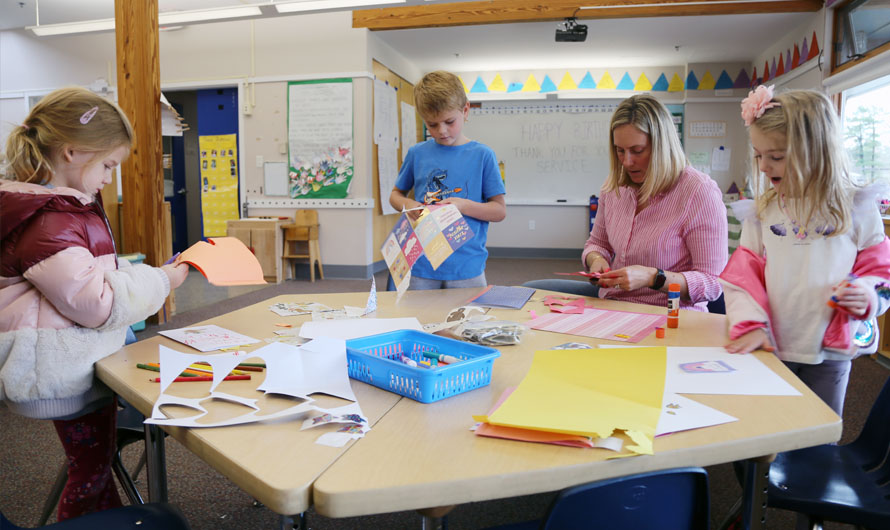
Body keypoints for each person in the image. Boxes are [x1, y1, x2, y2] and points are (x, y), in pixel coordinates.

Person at [0, 86, 189, 520]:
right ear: (71, 152)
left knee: (94, 466)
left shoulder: (63, 209)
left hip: (76, 361)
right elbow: (96, 304)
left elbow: (91, 273)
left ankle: (105, 516)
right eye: (106, 165)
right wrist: (161, 280)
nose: (109, 178)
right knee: (89, 471)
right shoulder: (47, 219)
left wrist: (145, 275)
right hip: (62, 372)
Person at [721, 86, 890, 417]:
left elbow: (882, 271)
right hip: (770, 343)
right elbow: (742, 278)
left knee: (817, 433)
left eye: (777, 157)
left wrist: (868, 294)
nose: (765, 167)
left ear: (817, 150)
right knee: (764, 428)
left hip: (829, 351)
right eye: (759, 155)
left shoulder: (856, 206)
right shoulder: (763, 209)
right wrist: (750, 323)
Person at [525, 94, 727, 311]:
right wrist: (596, 260)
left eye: (638, 151)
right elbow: (597, 244)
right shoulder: (614, 187)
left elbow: (713, 284)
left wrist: (654, 277)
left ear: (662, 146)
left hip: (668, 314)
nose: (627, 162)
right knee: (528, 293)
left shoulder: (699, 192)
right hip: (614, 304)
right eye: (620, 151)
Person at [389, 70, 506, 290]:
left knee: (467, 323)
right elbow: (395, 195)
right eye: (432, 125)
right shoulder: (417, 153)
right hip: (421, 264)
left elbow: (499, 211)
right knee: (421, 322)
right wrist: (410, 205)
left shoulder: (483, 155)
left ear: (465, 110)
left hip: (466, 267)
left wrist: (463, 205)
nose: (441, 131)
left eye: (449, 121)